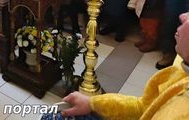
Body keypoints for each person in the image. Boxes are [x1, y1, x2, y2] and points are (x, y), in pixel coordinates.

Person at [47, 11, 189, 120]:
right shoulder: (182, 66)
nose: (183, 16)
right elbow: (144, 107)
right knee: (56, 115)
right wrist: (93, 103)